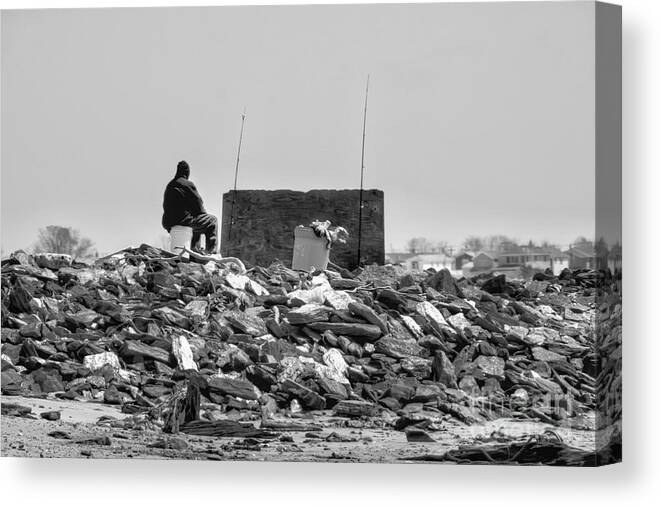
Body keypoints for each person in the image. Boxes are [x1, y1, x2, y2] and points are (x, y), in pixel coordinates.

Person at [162, 160, 218, 254]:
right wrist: (202, 214)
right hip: (184, 221)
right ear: (187, 172)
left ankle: (194, 250)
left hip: (169, 223)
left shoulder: (170, 185)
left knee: (195, 222)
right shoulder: (187, 184)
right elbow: (198, 203)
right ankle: (211, 252)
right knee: (212, 220)